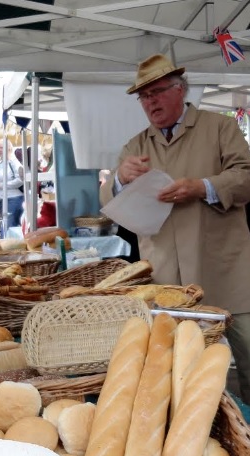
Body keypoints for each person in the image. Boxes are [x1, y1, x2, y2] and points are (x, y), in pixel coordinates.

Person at [100, 53, 250, 404]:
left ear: (181, 90)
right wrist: (120, 179)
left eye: (158, 92)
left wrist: (202, 187)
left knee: (246, 355)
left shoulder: (220, 127)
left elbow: (246, 178)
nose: (151, 102)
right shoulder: (135, 146)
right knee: (181, 369)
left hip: (225, 271)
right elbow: (106, 200)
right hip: (167, 280)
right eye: (144, 96)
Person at [0, 139, 25, 228]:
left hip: (14, 199)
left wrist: (3, 185)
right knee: (6, 226)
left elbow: (21, 180)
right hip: (2, 199)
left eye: (1, 148)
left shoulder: (14, 162)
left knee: (10, 227)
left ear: (9, 148)